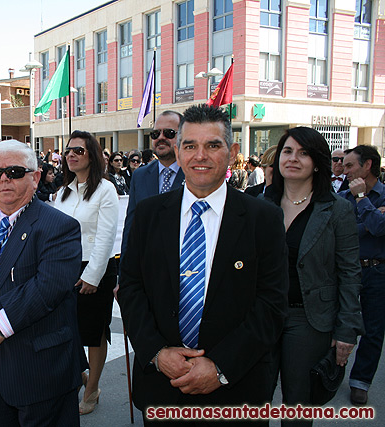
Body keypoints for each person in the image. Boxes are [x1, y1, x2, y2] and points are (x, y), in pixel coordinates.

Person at [118, 104, 288, 423]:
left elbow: (272, 304)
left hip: (236, 390)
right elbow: (130, 287)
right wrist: (156, 352)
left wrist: (220, 366)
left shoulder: (262, 218)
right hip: (162, 387)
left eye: (213, 145)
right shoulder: (148, 215)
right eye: (190, 145)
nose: (201, 156)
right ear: (178, 152)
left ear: (232, 151)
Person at [0, 139, 84, 426]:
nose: (4, 179)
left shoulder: (59, 227)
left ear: (35, 178)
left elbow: (48, 288)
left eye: (15, 172)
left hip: (40, 373)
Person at [263, 127, 362, 425]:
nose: (294, 159)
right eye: (288, 151)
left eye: (304, 153)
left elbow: (349, 272)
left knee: (297, 407)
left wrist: (346, 331)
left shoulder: (337, 210)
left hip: (309, 319)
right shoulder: (258, 205)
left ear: (317, 162)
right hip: (262, 316)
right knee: (253, 400)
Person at [53, 130, 119, 415]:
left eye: (78, 150)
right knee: (68, 330)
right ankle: (83, 376)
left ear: (91, 154)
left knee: (94, 333)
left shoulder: (106, 190)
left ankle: (91, 389)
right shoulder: (62, 192)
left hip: (96, 267)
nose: (71, 155)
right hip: (65, 268)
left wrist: (93, 276)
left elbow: (106, 236)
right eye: (68, 150)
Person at [341, 145, 385, 406]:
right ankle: (329, 373)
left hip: (377, 271)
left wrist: (362, 200)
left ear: (367, 165)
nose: (344, 171)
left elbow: (379, 229)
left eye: (349, 166)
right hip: (346, 269)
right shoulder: (342, 196)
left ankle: (360, 382)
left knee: (373, 330)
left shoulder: (376, 195)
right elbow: (341, 232)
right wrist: (370, 222)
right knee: (336, 323)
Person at [121, 111, 185, 256]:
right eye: (156, 134)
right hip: (146, 264)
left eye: (169, 133)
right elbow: (131, 225)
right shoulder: (140, 175)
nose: (161, 138)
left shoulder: (194, 174)